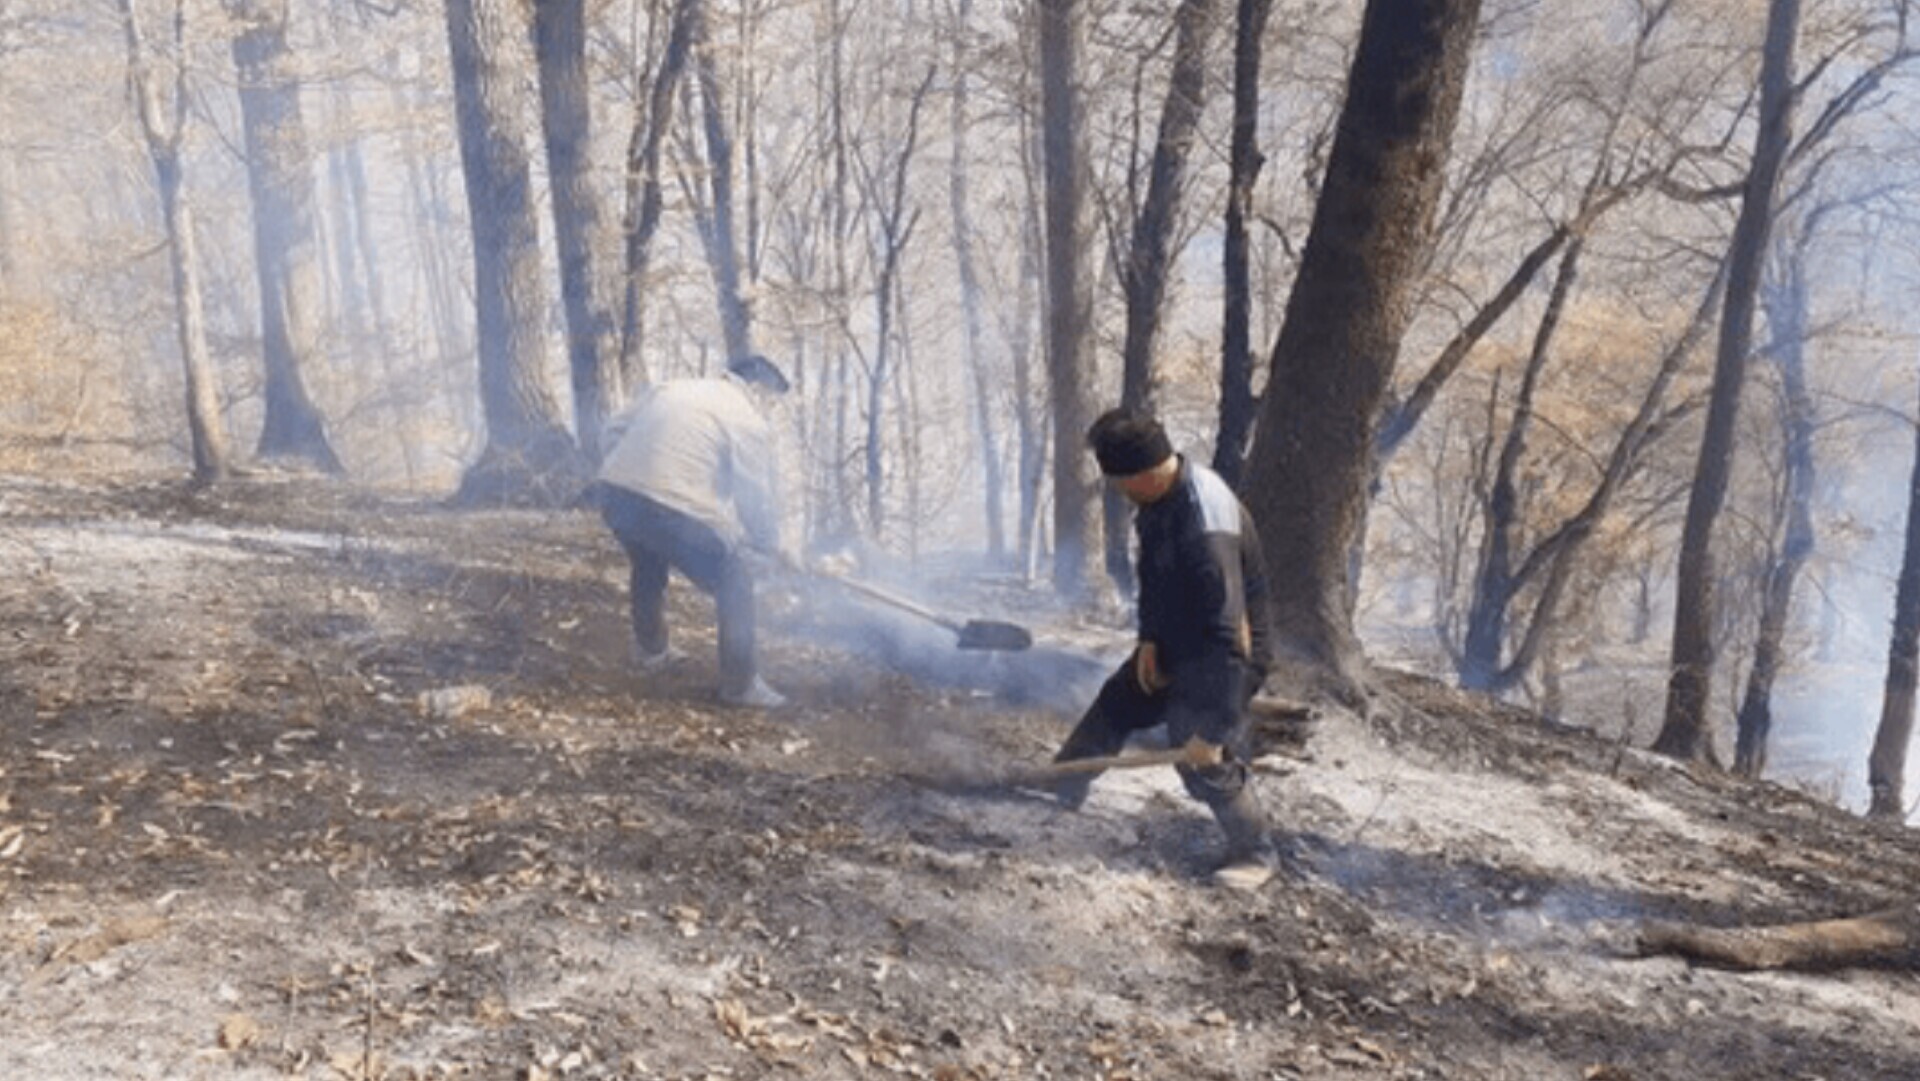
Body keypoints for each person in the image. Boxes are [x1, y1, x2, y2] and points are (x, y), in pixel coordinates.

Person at [1052, 406, 1279, 889]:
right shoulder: (1157, 502)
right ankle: (1060, 788)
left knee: (1199, 752)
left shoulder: (1205, 527)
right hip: (1180, 638)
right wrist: (1149, 640)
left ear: (1146, 473)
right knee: (1119, 701)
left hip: (1225, 653)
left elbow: (1230, 638)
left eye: (1120, 483)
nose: (1119, 493)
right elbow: (1154, 578)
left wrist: (1215, 728)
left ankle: (1256, 854)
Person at [592, 354, 794, 708]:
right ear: (758, 390)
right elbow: (755, 496)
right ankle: (740, 686)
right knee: (735, 580)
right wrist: (769, 545)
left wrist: (626, 474)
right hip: (665, 503)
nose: (770, 410)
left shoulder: (674, 387)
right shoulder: (746, 419)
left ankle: (651, 651)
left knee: (649, 560)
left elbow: (612, 429)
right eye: (772, 401)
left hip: (614, 492)